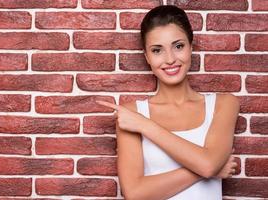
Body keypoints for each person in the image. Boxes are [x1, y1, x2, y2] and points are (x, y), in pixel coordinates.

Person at [96, 5, 239, 200]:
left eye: (178, 46)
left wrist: (145, 126)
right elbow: (135, 193)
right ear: (147, 57)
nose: (170, 59)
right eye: (157, 50)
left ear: (191, 47)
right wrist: (207, 170)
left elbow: (208, 165)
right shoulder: (132, 113)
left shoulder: (224, 104)